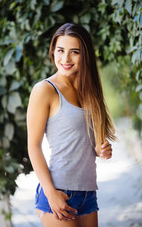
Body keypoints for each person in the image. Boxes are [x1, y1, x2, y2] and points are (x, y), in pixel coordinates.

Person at [27, 23, 116, 227]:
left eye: (74, 52)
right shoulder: (45, 90)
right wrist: (51, 194)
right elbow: (33, 146)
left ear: (84, 55)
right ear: (53, 51)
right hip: (59, 191)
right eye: (60, 50)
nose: (65, 59)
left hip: (88, 194)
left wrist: (101, 149)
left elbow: (89, 142)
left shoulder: (90, 92)